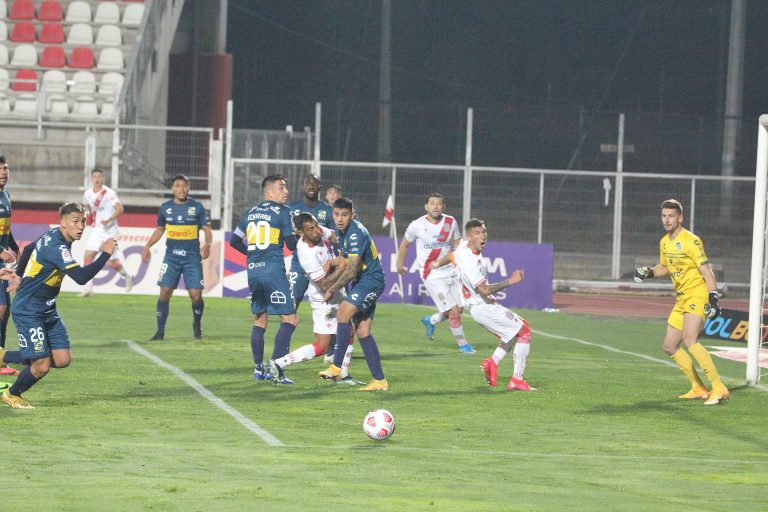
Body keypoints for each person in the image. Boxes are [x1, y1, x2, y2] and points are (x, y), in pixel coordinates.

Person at [0, 202, 116, 409]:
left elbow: (27, 249)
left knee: (62, 359)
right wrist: (105, 254)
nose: (81, 226)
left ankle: (10, 356)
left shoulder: (55, 235)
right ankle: (12, 393)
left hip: (48, 309)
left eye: (83, 221)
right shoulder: (57, 247)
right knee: (42, 364)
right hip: (29, 310)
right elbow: (80, 277)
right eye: (76, 222)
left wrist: (18, 274)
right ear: (63, 223)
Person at [633, 198, 729, 405]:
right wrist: (648, 273)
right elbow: (664, 267)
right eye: (664, 216)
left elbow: (706, 271)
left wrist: (713, 298)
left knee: (690, 340)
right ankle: (698, 387)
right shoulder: (664, 241)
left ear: (680, 218)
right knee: (669, 346)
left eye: (671, 216)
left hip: (697, 294)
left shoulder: (691, 241)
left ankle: (718, 387)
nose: (667, 220)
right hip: (681, 298)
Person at [433, 218, 535, 391]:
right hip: (483, 307)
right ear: (469, 236)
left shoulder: (463, 248)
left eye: (484, 232)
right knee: (524, 332)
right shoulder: (470, 262)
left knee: (512, 334)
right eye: (478, 233)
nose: (483, 236)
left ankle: (492, 363)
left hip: (484, 306)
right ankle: (516, 380)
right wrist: (512, 280)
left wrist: (436, 263)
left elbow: (452, 256)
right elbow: (484, 290)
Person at [267, 213, 359, 385]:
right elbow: (325, 285)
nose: (317, 231)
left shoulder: (318, 232)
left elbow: (334, 235)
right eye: (311, 229)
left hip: (336, 294)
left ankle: (341, 375)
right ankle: (279, 363)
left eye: (317, 226)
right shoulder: (307, 255)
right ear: (301, 233)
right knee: (322, 345)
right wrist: (340, 264)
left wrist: (345, 242)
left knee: (349, 329)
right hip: (324, 300)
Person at [230, 174, 298, 383]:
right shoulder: (283, 212)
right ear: (269, 192)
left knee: (260, 319)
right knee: (290, 319)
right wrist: (302, 236)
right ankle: (277, 370)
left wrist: (252, 254)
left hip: (253, 272)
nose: (285, 191)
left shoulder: (249, 213)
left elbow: (234, 241)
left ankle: (259, 370)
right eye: (281, 187)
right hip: (273, 272)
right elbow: (291, 245)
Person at [319, 197, 388, 391]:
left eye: (345, 215)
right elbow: (345, 263)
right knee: (363, 331)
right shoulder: (342, 232)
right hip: (363, 281)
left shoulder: (356, 234)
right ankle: (379, 380)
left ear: (352, 215)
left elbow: (351, 270)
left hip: (370, 281)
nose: (340, 219)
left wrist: (331, 289)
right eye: (337, 214)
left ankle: (336, 367)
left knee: (343, 313)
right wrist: (329, 280)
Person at [396, 193, 475, 353]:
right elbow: (405, 245)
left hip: (452, 271)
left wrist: (464, 260)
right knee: (453, 311)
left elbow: (458, 243)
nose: (435, 206)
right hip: (431, 274)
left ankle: (430, 320)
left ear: (443, 207)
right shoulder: (416, 225)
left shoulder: (450, 222)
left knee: (458, 309)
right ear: (426, 206)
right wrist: (399, 265)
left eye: (439, 204)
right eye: (432, 203)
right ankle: (463, 345)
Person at [142, 174, 212, 341]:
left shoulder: (197, 207)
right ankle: (160, 332)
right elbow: (160, 229)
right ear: (172, 188)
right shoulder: (165, 208)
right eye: (178, 185)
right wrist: (147, 246)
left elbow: (207, 229)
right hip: (171, 258)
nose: (181, 189)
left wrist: (207, 243)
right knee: (165, 292)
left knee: (196, 295)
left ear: (188, 187)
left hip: (192, 258)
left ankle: (196, 324)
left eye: (184, 185)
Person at [81, 168, 134, 297]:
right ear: (91, 178)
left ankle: (127, 276)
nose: (97, 179)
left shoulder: (109, 193)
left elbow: (120, 209)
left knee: (110, 262)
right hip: (96, 230)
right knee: (88, 256)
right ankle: (88, 288)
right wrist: (86, 215)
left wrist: (109, 219)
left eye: (100, 177)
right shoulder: (87, 193)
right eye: (95, 177)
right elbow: (86, 206)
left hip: (110, 231)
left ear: (103, 179)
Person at [0, 154, 20, 375]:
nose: (4, 172)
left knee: (6, 311)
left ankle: (1, 359)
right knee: (1, 308)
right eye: (0, 169)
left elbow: (5, 228)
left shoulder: (5, 196)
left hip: (3, 260)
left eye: (6, 168)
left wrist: (13, 246)